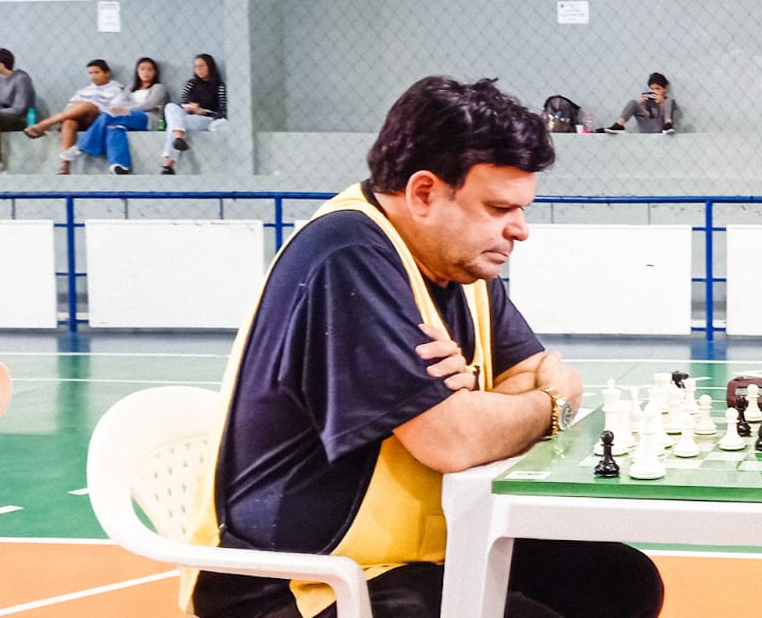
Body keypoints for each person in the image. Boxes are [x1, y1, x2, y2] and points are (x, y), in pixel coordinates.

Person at [183, 76, 664, 618]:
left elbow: (541, 374)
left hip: (417, 552)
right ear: (424, 193)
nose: (520, 230)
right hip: (298, 580)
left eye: (521, 209)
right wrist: (547, 406)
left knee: (620, 583)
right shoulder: (347, 257)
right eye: (499, 208)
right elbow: (456, 441)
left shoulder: (462, 264)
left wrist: (479, 407)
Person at [64, 57, 168, 175]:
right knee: (113, 127)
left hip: (148, 119)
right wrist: (124, 109)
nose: (146, 72)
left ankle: (81, 146)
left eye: (150, 69)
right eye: (142, 69)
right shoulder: (131, 87)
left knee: (109, 114)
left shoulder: (158, 87)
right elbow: (120, 102)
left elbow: (149, 104)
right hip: (128, 118)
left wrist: (126, 109)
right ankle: (119, 165)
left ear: (155, 72)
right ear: (137, 71)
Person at [24, 59, 125, 175]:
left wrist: (89, 106)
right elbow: (70, 108)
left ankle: (43, 125)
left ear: (107, 73)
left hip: (99, 121)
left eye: (96, 72)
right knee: (68, 122)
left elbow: (115, 110)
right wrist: (79, 106)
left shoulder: (117, 90)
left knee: (87, 105)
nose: (93, 76)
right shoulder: (84, 90)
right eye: (90, 73)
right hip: (80, 119)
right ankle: (65, 165)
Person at [160, 53, 227, 174]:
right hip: (187, 115)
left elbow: (222, 110)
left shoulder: (219, 86)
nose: (198, 69)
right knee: (170, 107)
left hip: (206, 119)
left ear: (210, 66)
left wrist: (204, 112)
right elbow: (183, 102)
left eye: (202, 66)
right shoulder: (191, 84)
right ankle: (179, 138)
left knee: (174, 124)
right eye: (196, 66)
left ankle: (169, 164)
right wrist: (189, 108)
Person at [601, 72, 675, 134]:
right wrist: (641, 103)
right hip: (646, 127)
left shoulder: (667, 101)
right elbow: (646, 115)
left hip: (661, 128)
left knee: (668, 100)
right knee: (633, 102)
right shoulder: (648, 100)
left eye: (658, 89)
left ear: (665, 89)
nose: (654, 91)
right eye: (652, 89)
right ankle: (619, 125)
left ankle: (668, 125)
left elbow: (667, 111)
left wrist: (662, 102)